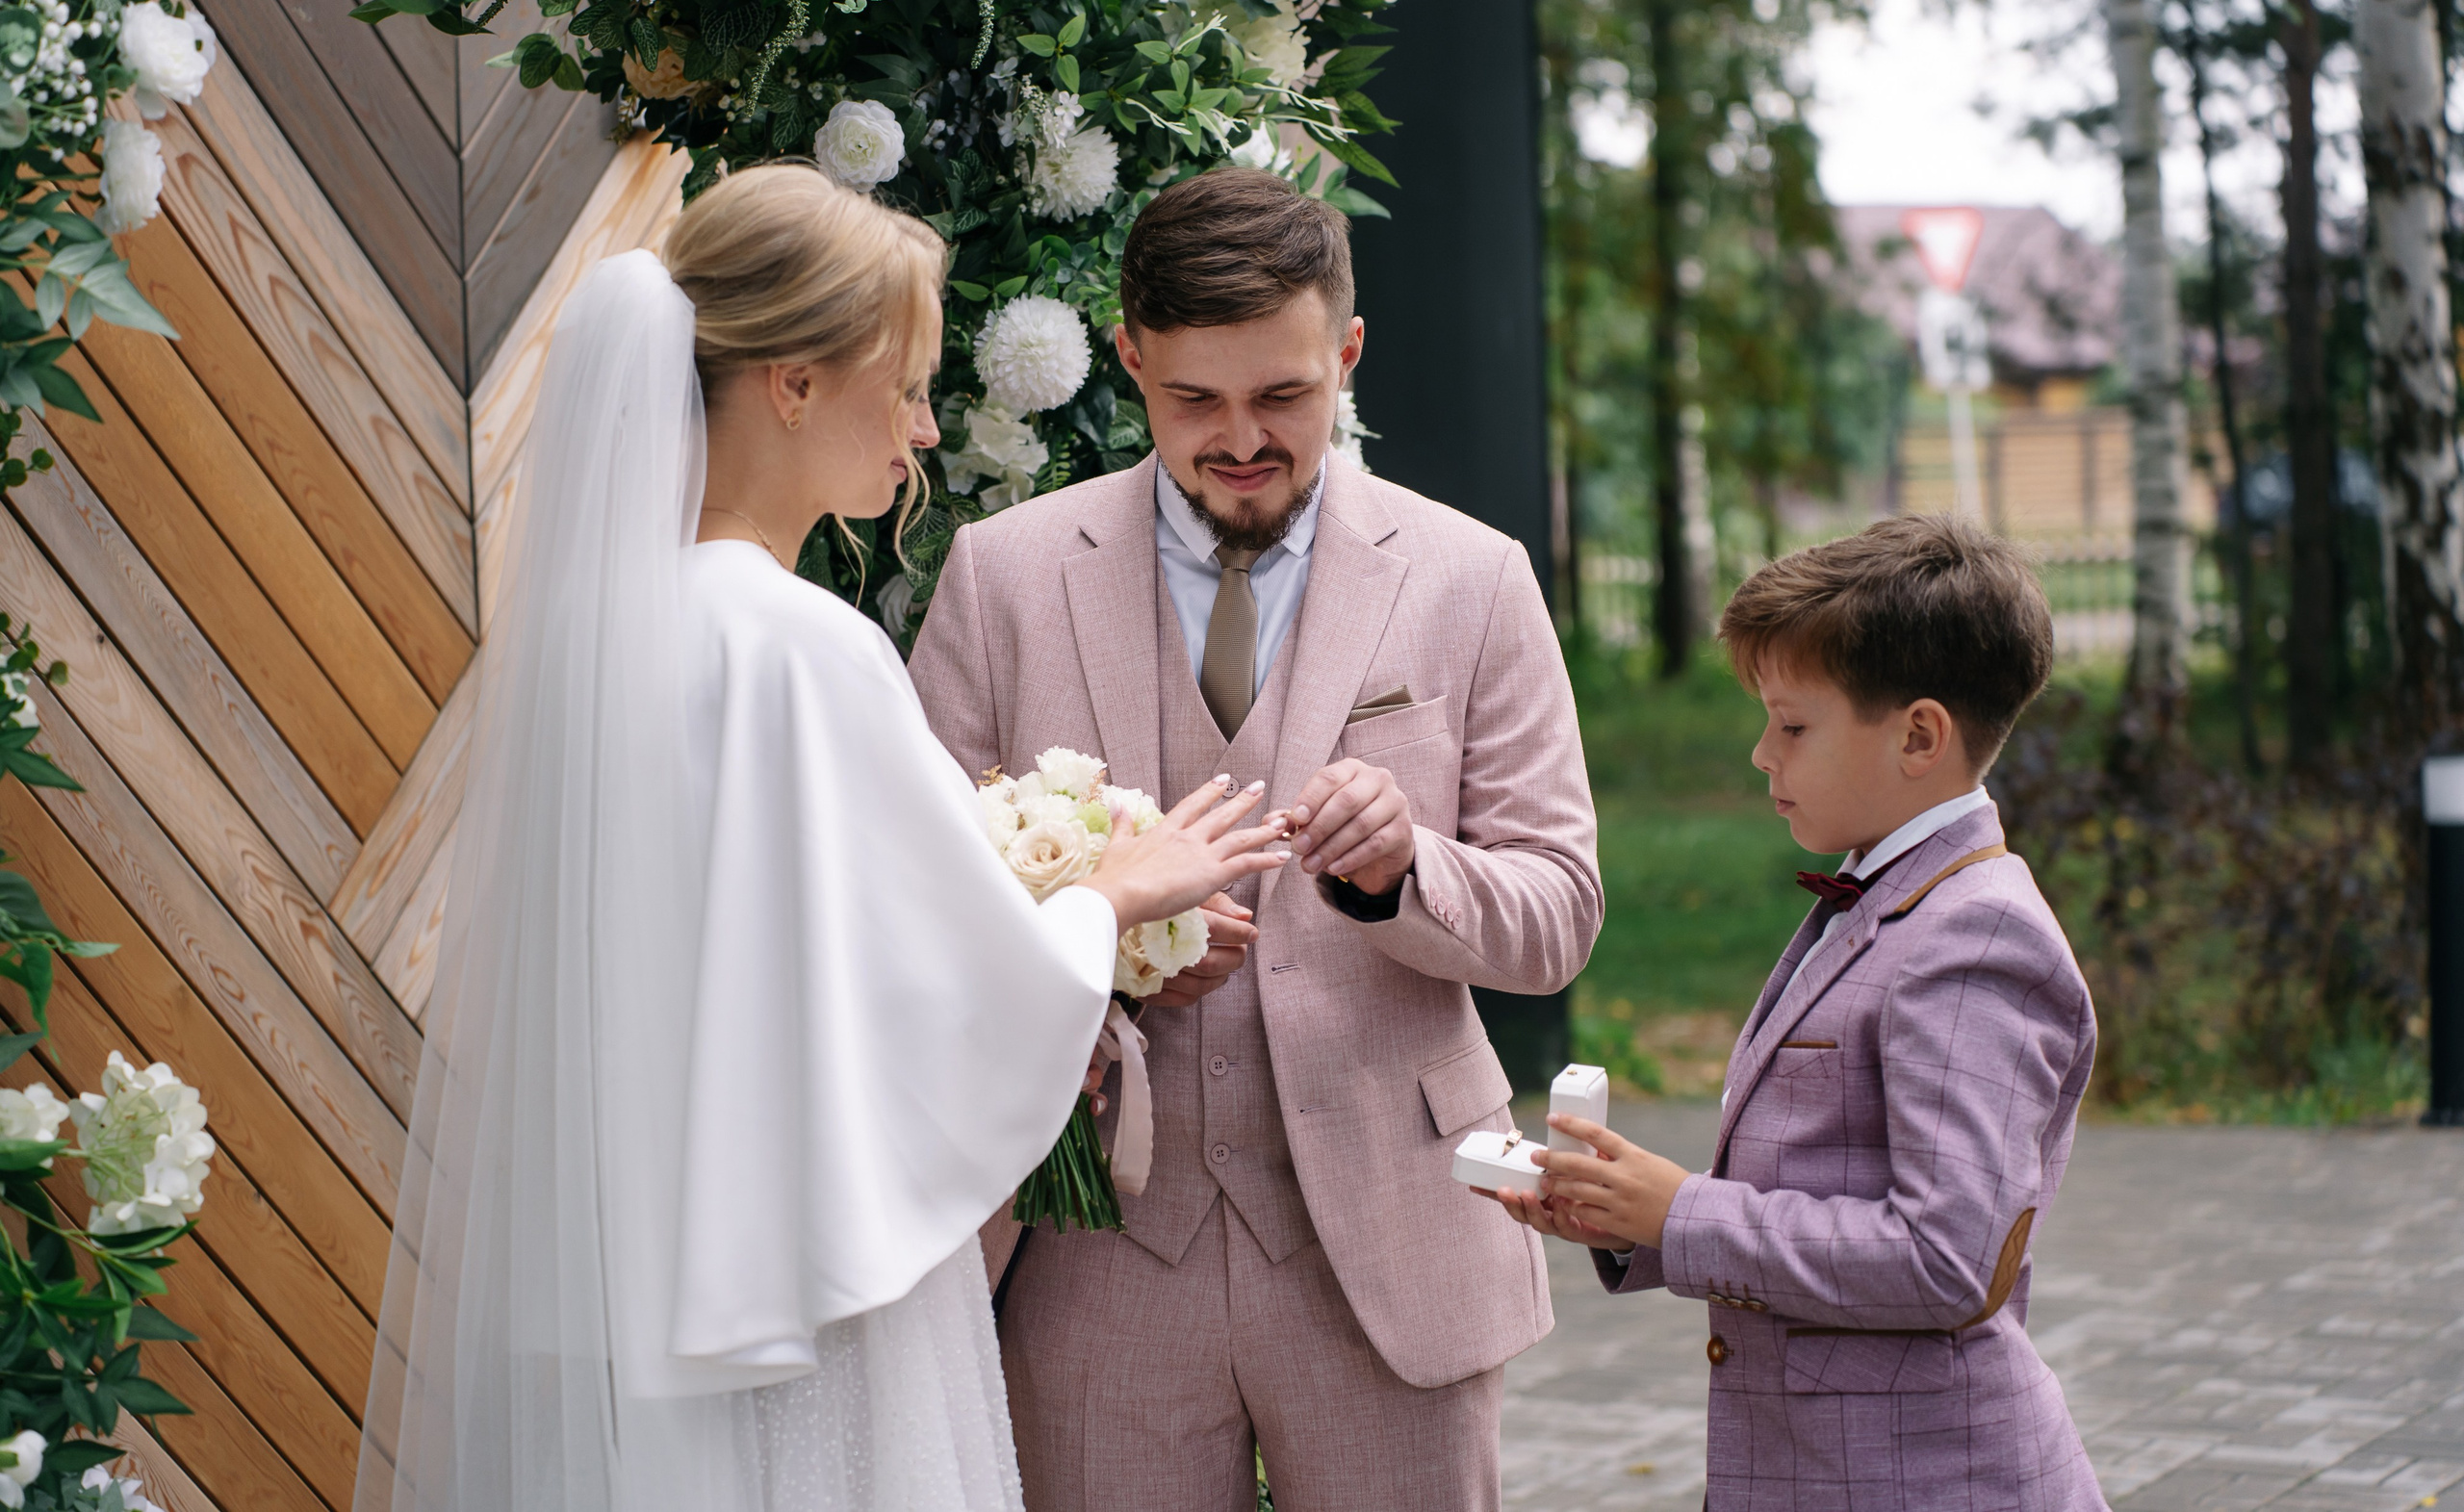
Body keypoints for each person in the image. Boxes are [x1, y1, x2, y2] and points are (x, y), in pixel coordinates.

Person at [352, 164, 1293, 1512]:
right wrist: (1109, 895)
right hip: (799, 1303)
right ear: (792, 381)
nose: (920, 426)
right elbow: (938, 998)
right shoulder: (800, 647)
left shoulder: (590, 641)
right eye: (903, 380)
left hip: (629, 1276)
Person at [907, 167, 1603, 1512]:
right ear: (1128, 358)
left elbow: (1559, 910)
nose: (1240, 439)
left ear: (1346, 350)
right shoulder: (1004, 576)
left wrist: (1411, 869)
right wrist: (1097, 933)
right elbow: (911, 909)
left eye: (1283, 397)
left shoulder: (1473, 577)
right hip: (1097, 1251)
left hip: (1393, 1245)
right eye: (1194, 400)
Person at [1491, 515, 2108, 1512]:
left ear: (1918, 735)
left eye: (1791, 726)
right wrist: (1624, 1215)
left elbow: (1945, 1261)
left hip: (1924, 1480)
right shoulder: (1890, 890)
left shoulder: (1974, 938)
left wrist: (1681, 1211)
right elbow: (1832, 1185)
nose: (1757, 755)